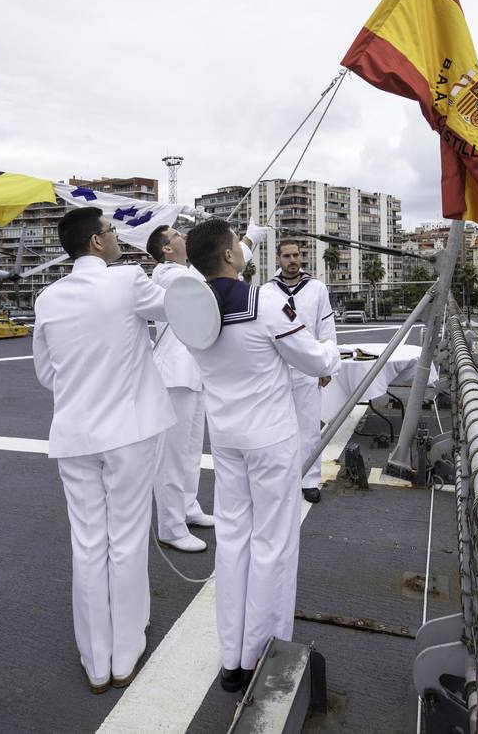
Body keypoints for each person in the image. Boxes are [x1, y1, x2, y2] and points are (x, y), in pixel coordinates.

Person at [185, 218, 340, 694]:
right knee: (273, 543)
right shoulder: (264, 303)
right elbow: (313, 360)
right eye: (238, 243)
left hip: (226, 439)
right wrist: (332, 349)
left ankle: (232, 657)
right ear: (231, 256)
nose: (242, 248)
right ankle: (261, 653)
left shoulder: (192, 310)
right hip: (270, 441)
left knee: (233, 542)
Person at [33, 207, 176, 694]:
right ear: (96, 242)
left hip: (74, 434)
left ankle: (96, 661)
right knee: (128, 540)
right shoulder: (129, 280)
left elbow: (47, 373)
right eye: (112, 231)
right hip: (129, 431)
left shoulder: (47, 297)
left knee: (89, 543)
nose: (118, 237)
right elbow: (178, 309)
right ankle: (125, 650)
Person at [146, 224, 213, 554]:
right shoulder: (169, 275)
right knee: (172, 455)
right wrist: (244, 242)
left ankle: (188, 507)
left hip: (191, 371)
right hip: (174, 373)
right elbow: (209, 288)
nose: (185, 237)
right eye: (178, 236)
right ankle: (171, 526)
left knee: (189, 450)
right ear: (167, 249)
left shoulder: (183, 272)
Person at [262, 239, 337, 503]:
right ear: (278, 259)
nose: (292, 260)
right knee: (277, 427)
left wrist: (325, 367)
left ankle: (308, 479)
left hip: (308, 369)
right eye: (286, 256)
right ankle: (283, 478)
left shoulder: (317, 288)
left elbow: (326, 328)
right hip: (278, 369)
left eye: (296, 255)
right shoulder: (267, 291)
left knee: (308, 427)